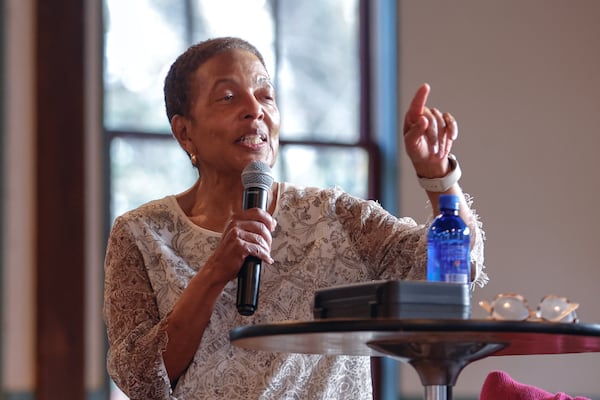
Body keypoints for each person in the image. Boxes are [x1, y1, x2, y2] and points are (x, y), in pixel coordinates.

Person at [103, 36, 487, 399]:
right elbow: (141, 379)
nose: (255, 110)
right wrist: (214, 273)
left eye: (266, 96)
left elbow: (458, 270)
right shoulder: (140, 233)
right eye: (228, 97)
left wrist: (438, 177)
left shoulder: (334, 215)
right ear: (185, 133)